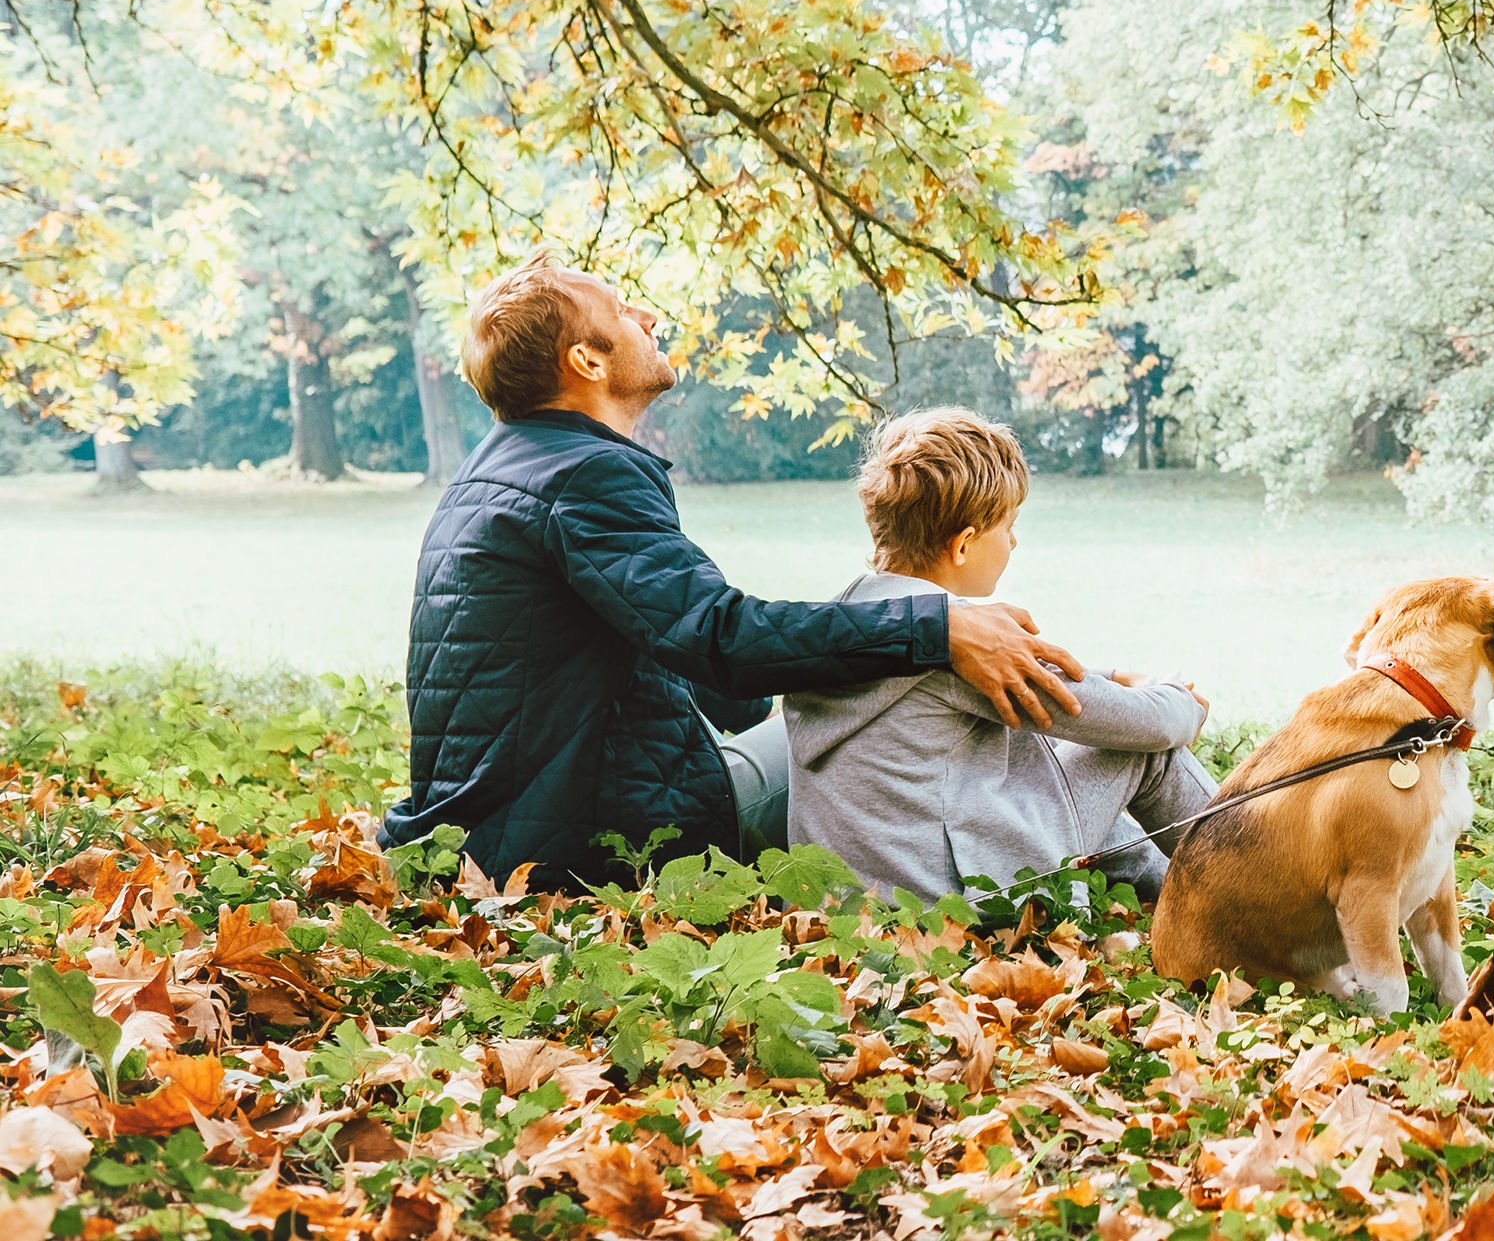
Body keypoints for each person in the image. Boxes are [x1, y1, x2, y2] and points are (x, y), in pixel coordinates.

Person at [388, 248, 1087, 889]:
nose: (646, 316)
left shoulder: (503, 469)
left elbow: (691, 654)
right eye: (623, 311)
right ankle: (1043, 867)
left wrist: (789, 681)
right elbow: (724, 640)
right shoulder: (586, 477)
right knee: (915, 708)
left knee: (857, 706)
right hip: (576, 847)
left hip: (498, 828)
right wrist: (939, 627)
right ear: (587, 361)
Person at [784, 409, 1217, 902]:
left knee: (1050, 770)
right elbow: (1147, 725)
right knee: (1146, 753)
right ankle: (1264, 888)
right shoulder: (955, 641)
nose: (1014, 540)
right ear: (964, 544)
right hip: (955, 900)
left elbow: (1039, 684)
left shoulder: (847, 624)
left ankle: (1171, 893)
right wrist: (1181, 701)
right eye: (1008, 525)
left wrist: (1113, 675)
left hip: (867, 899)